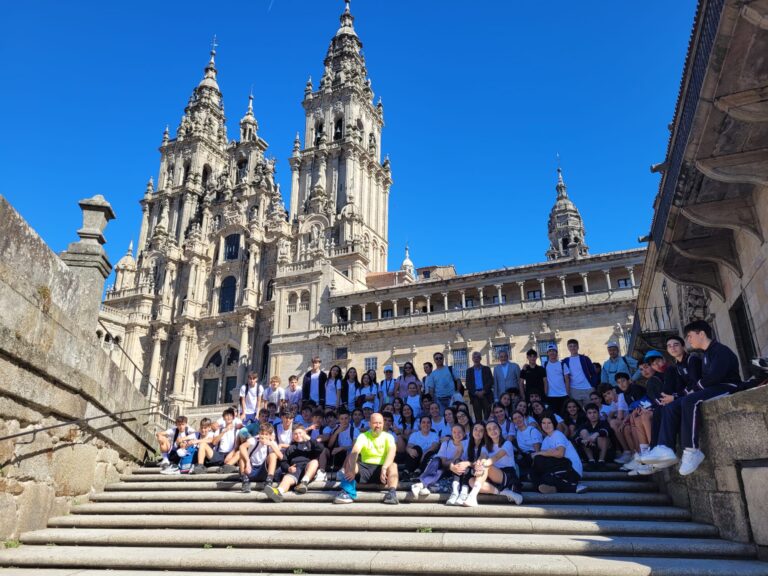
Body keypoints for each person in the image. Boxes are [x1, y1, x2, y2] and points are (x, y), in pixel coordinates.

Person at [644, 320, 741, 476]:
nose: (689, 340)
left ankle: (691, 450)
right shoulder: (705, 354)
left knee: (689, 400)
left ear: (701, 334)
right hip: (713, 388)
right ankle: (664, 448)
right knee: (671, 406)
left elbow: (714, 377)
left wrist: (690, 391)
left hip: (728, 386)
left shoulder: (719, 350)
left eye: (690, 336)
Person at [333, 413, 399, 505]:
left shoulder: (389, 437)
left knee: (393, 465)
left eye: (380, 423)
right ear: (370, 424)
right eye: (375, 423)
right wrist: (352, 469)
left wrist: (384, 468)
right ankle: (347, 492)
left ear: (383, 424)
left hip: (381, 470)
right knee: (351, 462)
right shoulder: (363, 436)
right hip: (365, 468)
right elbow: (354, 452)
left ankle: (392, 493)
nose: (378, 425)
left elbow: (392, 453)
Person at [463, 420, 523, 507]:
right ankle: (502, 492)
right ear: (487, 433)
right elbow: (482, 456)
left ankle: (472, 496)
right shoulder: (485, 446)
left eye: (495, 428)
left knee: (487, 464)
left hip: (507, 474)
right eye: (489, 429)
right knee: (471, 481)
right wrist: (478, 464)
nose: (493, 431)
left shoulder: (507, 443)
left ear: (500, 430)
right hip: (492, 474)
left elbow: (495, 458)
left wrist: (482, 464)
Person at [263, 425, 323, 501]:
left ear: (304, 433)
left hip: (307, 470)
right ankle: (278, 492)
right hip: (295, 469)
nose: (298, 436)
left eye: (300, 433)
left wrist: (308, 438)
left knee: (314, 462)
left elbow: (320, 448)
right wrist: (288, 468)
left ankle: (304, 483)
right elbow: (283, 462)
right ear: (292, 436)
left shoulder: (310, 444)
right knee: (286, 478)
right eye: (295, 434)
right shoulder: (290, 448)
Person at [531, 413, 586, 494]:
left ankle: (574, 487)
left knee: (538, 459)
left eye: (549, 423)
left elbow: (560, 454)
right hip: (558, 468)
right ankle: (554, 488)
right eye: (543, 423)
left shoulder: (557, 434)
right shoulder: (546, 439)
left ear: (554, 423)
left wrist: (541, 453)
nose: (546, 425)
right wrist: (544, 453)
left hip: (572, 469)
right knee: (536, 473)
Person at [410, 423, 467, 498]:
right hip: (445, 468)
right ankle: (423, 484)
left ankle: (421, 484)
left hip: (458, 472)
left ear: (464, 433)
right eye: (454, 432)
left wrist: (454, 459)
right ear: (451, 433)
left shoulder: (467, 444)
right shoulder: (446, 444)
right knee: (436, 460)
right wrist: (452, 463)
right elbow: (443, 462)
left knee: (444, 469)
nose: (457, 434)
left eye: (459, 432)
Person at [239, 422, 281, 493]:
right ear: (259, 433)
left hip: (263, 470)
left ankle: (269, 481)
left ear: (270, 436)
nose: (263, 436)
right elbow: (241, 446)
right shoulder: (254, 440)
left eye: (266, 434)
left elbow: (281, 457)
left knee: (273, 455)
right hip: (250, 469)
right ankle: (245, 480)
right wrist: (247, 462)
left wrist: (271, 445)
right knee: (242, 455)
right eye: (262, 433)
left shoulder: (272, 443)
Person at [576, 403, 613, 470]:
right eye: (589, 413)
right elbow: (576, 438)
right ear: (586, 415)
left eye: (594, 412)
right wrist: (583, 440)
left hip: (604, 453)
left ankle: (601, 462)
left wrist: (596, 434)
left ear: (598, 413)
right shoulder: (584, 425)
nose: (592, 415)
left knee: (602, 435)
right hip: (589, 451)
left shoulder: (604, 423)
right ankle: (591, 461)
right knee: (583, 432)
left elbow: (609, 431)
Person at [563, 339, 598, 407]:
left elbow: (593, 373)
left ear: (578, 347)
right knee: (578, 412)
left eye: (574, 346)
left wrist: (593, 385)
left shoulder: (585, 359)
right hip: (574, 390)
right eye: (570, 346)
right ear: (568, 348)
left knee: (590, 410)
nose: (573, 348)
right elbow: (565, 377)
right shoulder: (566, 361)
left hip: (588, 388)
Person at [511, 410, 542, 480]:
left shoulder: (532, 430)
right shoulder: (517, 433)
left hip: (534, 455)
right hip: (524, 456)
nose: (518, 420)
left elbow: (537, 451)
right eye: (515, 419)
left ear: (524, 418)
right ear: (513, 421)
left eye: (519, 417)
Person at [466, 351, 493, 422]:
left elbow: (490, 381)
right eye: (474, 357)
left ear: (480, 358)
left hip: (486, 394)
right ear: (472, 359)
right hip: (474, 395)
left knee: (488, 415)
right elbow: (468, 384)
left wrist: (483, 391)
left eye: (478, 357)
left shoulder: (486, 369)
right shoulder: (469, 371)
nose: (476, 359)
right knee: (478, 417)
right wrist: (476, 392)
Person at [543, 345, 570, 414]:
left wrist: (567, 393)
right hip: (551, 396)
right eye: (550, 351)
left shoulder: (562, 364)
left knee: (564, 416)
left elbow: (567, 380)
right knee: (554, 418)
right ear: (547, 353)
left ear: (556, 352)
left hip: (563, 395)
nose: (552, 353)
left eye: (553, 351)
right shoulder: (544, 365)